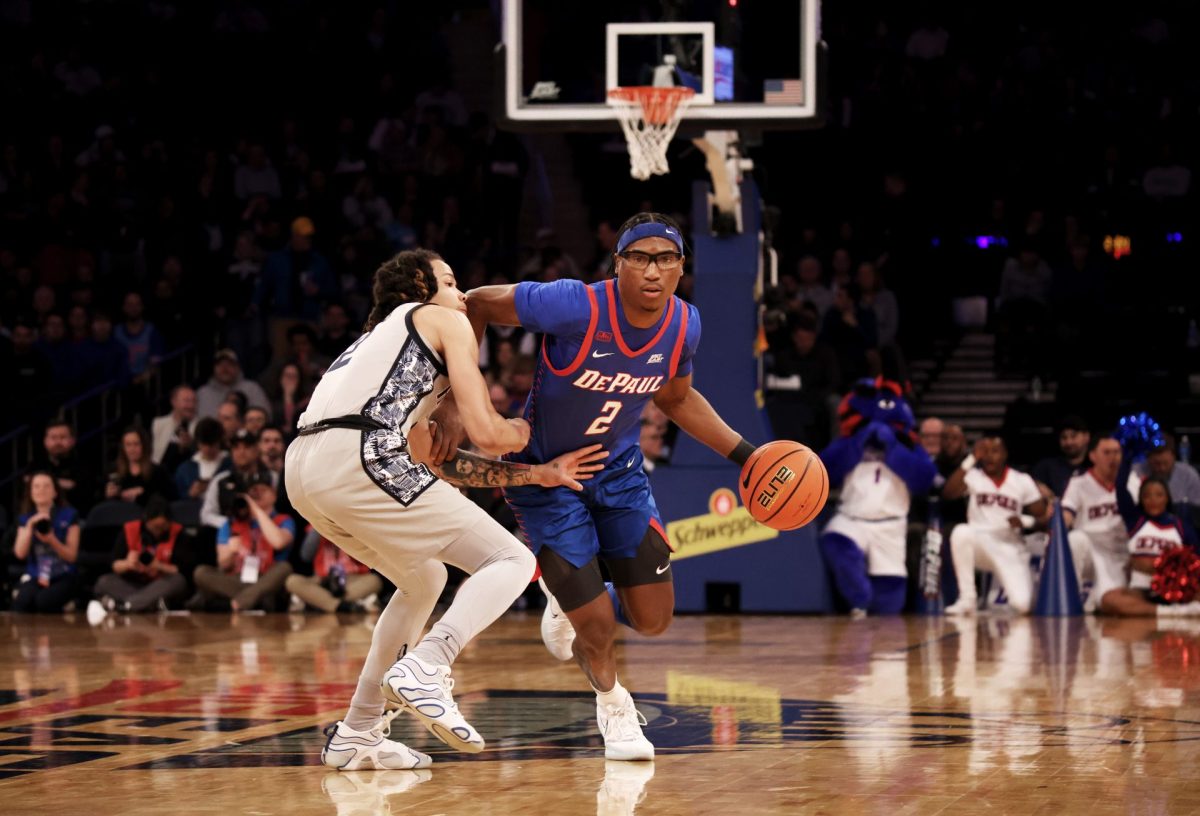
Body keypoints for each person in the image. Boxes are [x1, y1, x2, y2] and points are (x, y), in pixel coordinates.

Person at [285, 249, 605, 772]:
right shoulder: (439, 319)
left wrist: (535, 475)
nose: (463, 296)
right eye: (452, 282)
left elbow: (446, 465)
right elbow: (489, 433)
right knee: (512, 560)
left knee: (424, 578)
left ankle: (357, 732)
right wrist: (532, 432)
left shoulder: (378, 347)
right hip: (357, 456)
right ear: (419, 285)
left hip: (305, 467)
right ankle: (429, 664)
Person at [460, 213, 760, 761]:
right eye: (639, 258)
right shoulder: (574, 304)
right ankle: (614, 706)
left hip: (619, 475)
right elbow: (476, 302)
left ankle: (569, 595)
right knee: (597, 627)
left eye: (666, 259)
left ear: (680, 268)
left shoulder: (684, 324)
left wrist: (747, 455)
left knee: (653, 619)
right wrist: (462, 402)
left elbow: (675, 398)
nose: (653, 270)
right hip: (547, 477)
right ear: (617, 264)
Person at [942, 436, 1050, 615]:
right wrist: (972, 459)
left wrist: (1025, 521)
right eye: (985, 451)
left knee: (1023, 605)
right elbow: (948, 493)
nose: (989, 456)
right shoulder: (973, 476)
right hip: (980, 542)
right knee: (961, 532)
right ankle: (967, 599)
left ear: (1005, 454)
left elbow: (1043, 519)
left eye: (995, 451)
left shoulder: (1021, 480)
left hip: (1010, 546)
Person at [1099, 439, 1200, 617]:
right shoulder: (1135, 521)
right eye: (1147, 495)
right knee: (1108, 599)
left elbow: (1196, 558)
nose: (1153, 500)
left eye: (1158, 495)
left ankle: (1172, 608)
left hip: (1176, 590)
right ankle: (1166, 613)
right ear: (1141, 500)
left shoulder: (1180, 526)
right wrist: (1127, 458)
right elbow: (1120, 489)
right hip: (1141, 590)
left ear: (1167, 498)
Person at [191, 472, 294, 612]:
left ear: (274, 495)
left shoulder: (284, 520)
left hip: (266, 576)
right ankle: (255, 600)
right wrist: (231, 552)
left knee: (285, 568)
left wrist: (256, 511)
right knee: (201, 572)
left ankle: (236, 603)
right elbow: (223, 564)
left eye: (262, 490)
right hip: (237, 578)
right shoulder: (230, 524)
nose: (257, 495)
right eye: (253, 493)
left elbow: (278, 542)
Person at [1062, 437, 1128, 612]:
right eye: (1107, 453)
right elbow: (1066, 515)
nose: (1113, 457)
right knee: (1074, 538)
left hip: (1121, 554)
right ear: (1092, 456)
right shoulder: (1079, 483)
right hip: (1091, 551)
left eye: (1117, 452)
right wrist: (1057, 524)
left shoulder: (1133, 482)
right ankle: (1068, 601)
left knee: (1104, 604)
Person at [91, 496, 189, 614]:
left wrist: (159, 566)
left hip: (161, 585)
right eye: (155, 527)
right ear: (146, 521)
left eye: (162, 527)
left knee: (178, 581)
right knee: (104, 582)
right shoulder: (130, 529)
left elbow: (184, 570)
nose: (158, 531)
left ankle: (128, 605)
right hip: (134, 585)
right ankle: (148, 604)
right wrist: (127, 564)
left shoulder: (178, 533)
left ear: (169, 522)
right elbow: (114, 564)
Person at [12, 471, 81, 613]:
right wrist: (30, 526)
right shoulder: (26, 519)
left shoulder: (69, 515)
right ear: (30, 492)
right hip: (37, 575)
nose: (41, 490)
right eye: (36, 486)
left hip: (63, 575)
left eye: (46, 486)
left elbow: (72, 556)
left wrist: (51, 539)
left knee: (43, 601)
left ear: (55, 492)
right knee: (22, 601)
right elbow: (20, 554)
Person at [286, 526, 383, 613]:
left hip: (351, 580)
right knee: (292, 581)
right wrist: (320, 524)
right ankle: (346, 605)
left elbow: (365, 556)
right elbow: (306, 556)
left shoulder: (354, 524)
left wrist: (343, 530)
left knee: (374, 580)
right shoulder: (316, 523)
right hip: (322, 580)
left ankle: (321, 602)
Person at [104, 426, 176, 504]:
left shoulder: (158, 472)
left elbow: (171, 498)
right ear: (123, 448)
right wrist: (109, 495)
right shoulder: (114, 471)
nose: (132, 449)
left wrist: (141, 494)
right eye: (128, 445)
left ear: (144, 446)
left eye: (136, 444)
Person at [195, 348, 270, 420]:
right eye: (220, 365)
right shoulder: (203, 393)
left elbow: (265, 416)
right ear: (214, 368)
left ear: (237, 368)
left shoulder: (252, 389)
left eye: (230, 364)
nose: (224, 368)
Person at [1033, 415, 1090, 497]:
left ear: (1086, 437)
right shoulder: (1046, 467)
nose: (1069, 442)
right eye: (1064, 437)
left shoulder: (1096, 466)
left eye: (1073, 436)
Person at [151, 384, 198, 466]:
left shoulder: (200, 426)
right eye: (186, 401)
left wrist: (192, 445)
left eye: (194, 401)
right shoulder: (158, 424)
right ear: (174, 402)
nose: (191, 405)